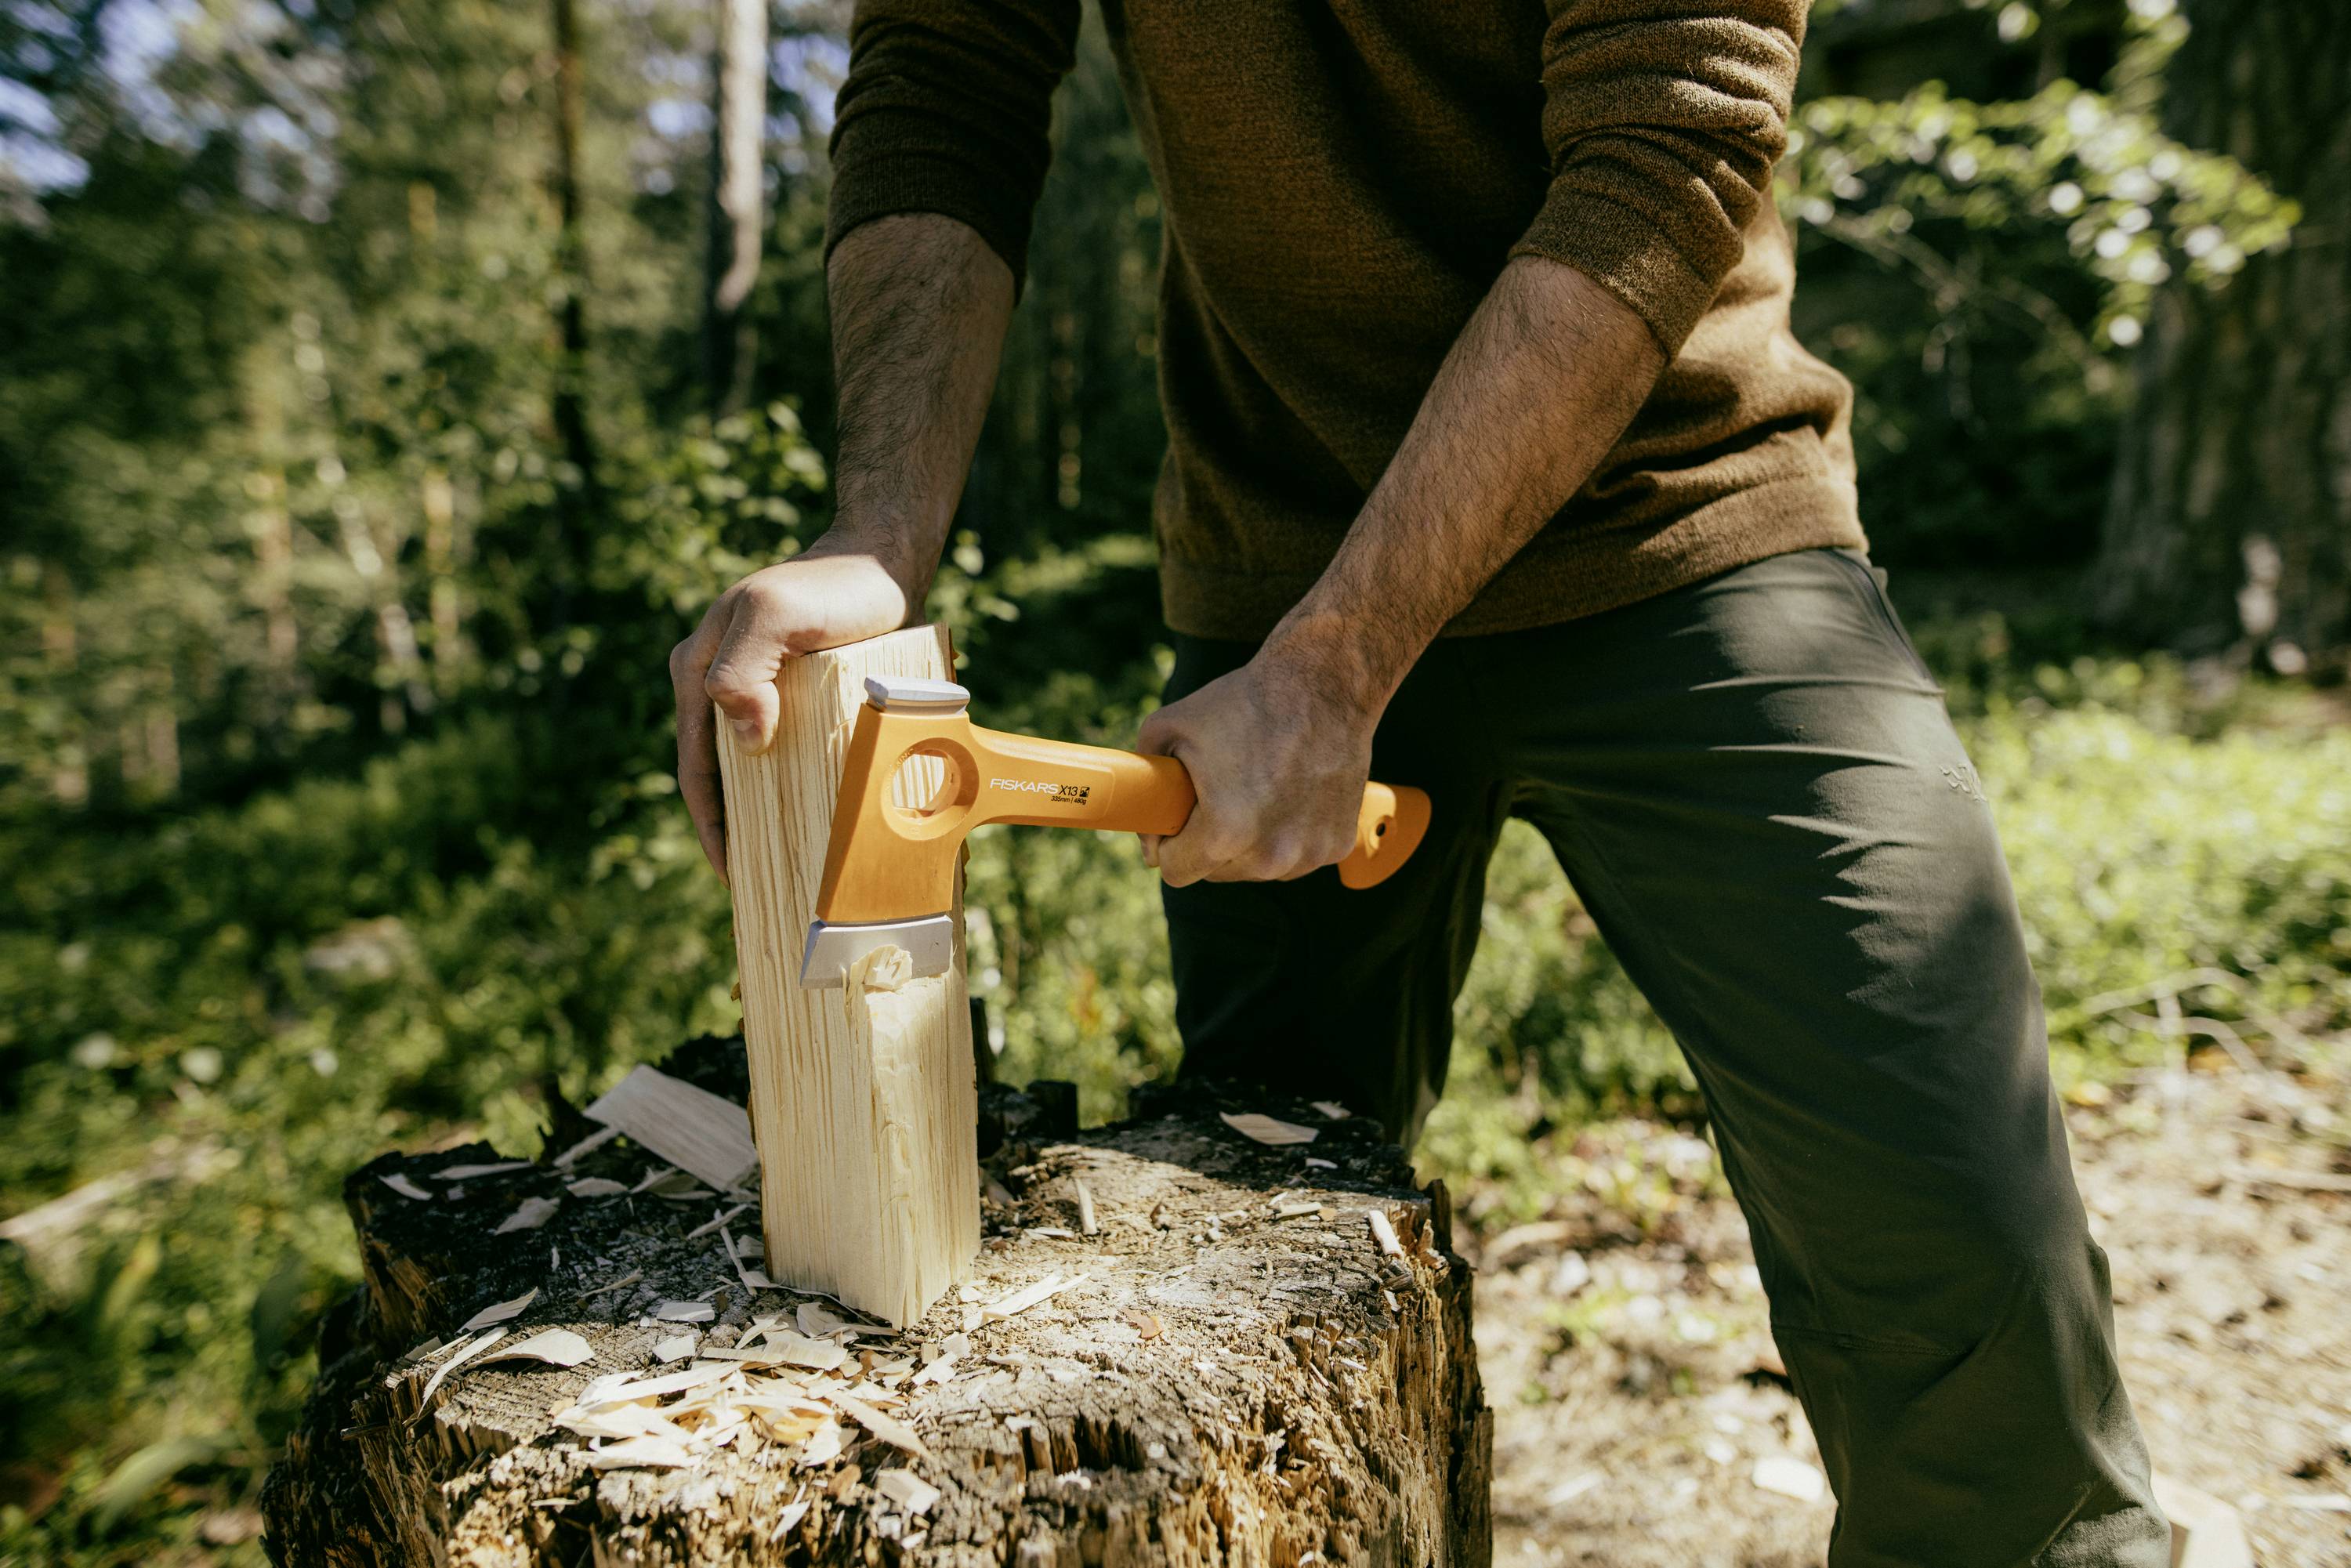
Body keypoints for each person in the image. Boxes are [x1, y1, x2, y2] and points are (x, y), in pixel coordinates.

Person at [668, 2, 2168, 1560]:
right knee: (1255, 1274)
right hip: (1273, 575)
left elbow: (1673, 136)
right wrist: (877, 541)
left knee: (1963, 1262)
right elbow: (948, 70)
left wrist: (1342, 662)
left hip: (1691, 534)